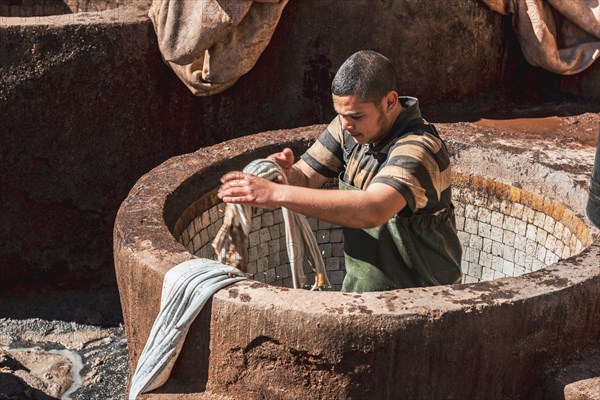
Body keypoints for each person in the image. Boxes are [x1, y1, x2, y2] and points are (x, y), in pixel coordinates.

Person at [218, 50, 462, 292]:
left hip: (424, 299)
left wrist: (275, 193)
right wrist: (283, 175)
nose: (346, 124)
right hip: (363, 293)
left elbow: (373, 209)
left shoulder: (418, 147)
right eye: (340, 114)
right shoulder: (348, 129)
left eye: (356, 115)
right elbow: (304, 178)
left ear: (389, 102)